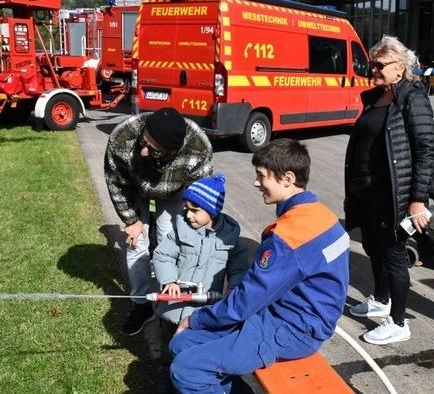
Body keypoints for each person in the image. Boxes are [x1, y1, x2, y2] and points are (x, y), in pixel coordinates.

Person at [168, 138, 350, 393]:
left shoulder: (289, 236)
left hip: (290, 328)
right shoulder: (323, 216)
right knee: (181, 346)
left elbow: (245, 302)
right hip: (287, 314)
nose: (255, 182)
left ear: (287, 178)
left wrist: (195, 319)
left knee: (186, 369)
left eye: (261, 176)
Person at [345, 35, 434, 345]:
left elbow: (425, 149)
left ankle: (398, 322)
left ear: (401, 67)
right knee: (373, 248)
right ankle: (380, 301)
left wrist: (417, 200)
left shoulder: (412, 98)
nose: (373, 70)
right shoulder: (375, 97)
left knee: (394, 256)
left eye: (379, 65)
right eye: (372, 64)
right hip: (368, 193)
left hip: (394, 195)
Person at [104, 107, 214, 336]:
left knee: (171, 239)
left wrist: (194, 220)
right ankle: (141, 307)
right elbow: (116, 183)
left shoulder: (198, 146)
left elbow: (200, 192)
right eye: (143, 142)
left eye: (153, 150)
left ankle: (173, 304)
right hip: (135, 187)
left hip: (174, 192)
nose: (143, 152)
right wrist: (131, 220)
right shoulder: (123, 137)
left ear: (173, 152)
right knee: (136, 245)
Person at [153, 173, 249, 325]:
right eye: (186, 208)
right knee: (167, 338)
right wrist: (169, 280)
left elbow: (239, 268)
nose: (189, 215)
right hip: (173, 306)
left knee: (191, 342)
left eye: (195, 210)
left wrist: (233, 287)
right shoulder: (181, 230)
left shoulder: (229, 238)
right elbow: (163, 256)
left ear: (212, 211)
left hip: (204, 309)